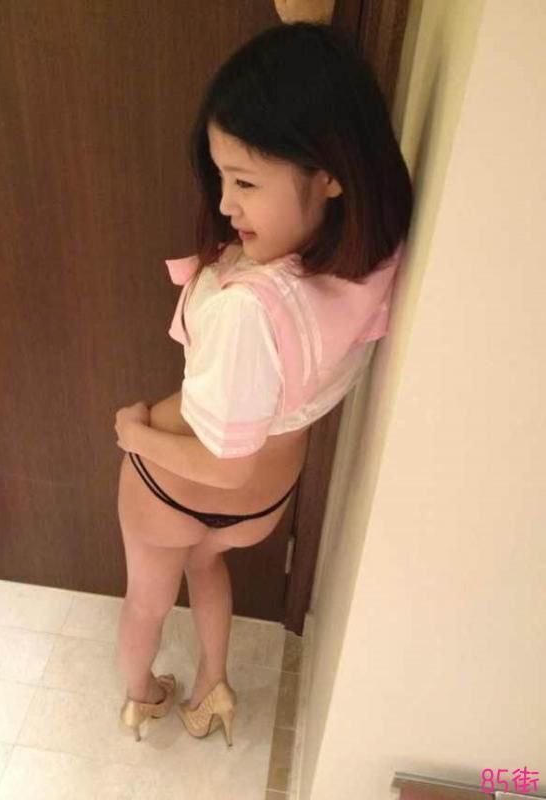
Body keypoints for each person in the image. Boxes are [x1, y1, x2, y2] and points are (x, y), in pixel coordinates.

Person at [114, 21, 413, 748]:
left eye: (244, 182)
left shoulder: (250, 307)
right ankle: (213, 688)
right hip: (263, 504)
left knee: (146, 602)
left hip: (178, 486)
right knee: (207, 561)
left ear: (331, 170)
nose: (225, 205)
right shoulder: (371, 251)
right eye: (222, 178)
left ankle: (142, 699)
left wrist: (134, 435)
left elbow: (223, 462)